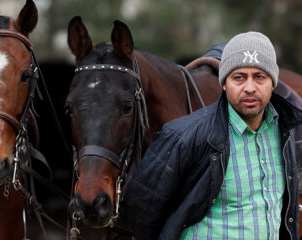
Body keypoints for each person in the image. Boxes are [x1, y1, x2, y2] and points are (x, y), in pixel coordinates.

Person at [124, 31, 302, 240]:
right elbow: (141, 211)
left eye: (260, 77)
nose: (250, 88)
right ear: (224, 83)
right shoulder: (184, 136)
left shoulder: (285, 130)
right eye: (239, 77)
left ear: (273, 82)